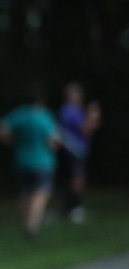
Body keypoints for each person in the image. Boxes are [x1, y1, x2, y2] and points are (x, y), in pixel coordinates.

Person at [0, 85, 61, 238]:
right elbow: (54, 141)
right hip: (43, 161)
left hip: (22, 160)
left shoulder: (19, 114)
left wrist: (11, 141)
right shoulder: (44, 116)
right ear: (41, 100)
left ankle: (24, 222)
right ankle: (32, 225)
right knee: (41, 193)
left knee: (25, 192)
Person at [56, 82, 101, 223]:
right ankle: (75, 209)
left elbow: (89, 130)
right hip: (74, 151)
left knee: (76, 180)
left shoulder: (78, 111)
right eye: (77, 94)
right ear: (70, 96)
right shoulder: (69, 111)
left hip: (80, 150)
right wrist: (92, 115)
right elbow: (85, 130)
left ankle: (68, 209)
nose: (80, 97)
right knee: (77, 181)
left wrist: (92, 119)